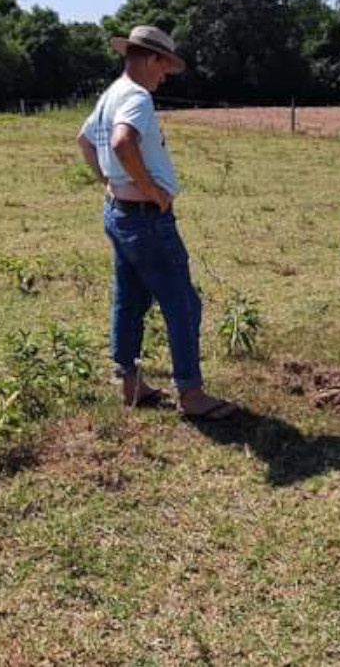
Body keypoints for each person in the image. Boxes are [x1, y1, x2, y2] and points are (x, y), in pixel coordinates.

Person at [76, 25, 237, 420]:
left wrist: (111, 183)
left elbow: (84, 140)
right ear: (150, 58)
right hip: (146, 219)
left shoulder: (110, 93)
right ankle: (191, 394)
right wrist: (150, 190)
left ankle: (131, 383)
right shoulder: (137, 96)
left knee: (128, 297)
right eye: (164, 68)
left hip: (118, 213)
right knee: (183, 302)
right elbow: (120, 141)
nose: (164, 77)